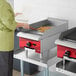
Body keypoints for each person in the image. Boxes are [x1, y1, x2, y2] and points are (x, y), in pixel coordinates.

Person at [0, 0, 29, 76]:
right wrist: (23, 24)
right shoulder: (3, 4)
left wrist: (13, 15)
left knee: (3, 65)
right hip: (5, 41)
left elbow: (3, 17)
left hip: (1, 39)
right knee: (6, 66)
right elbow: (9, 24)